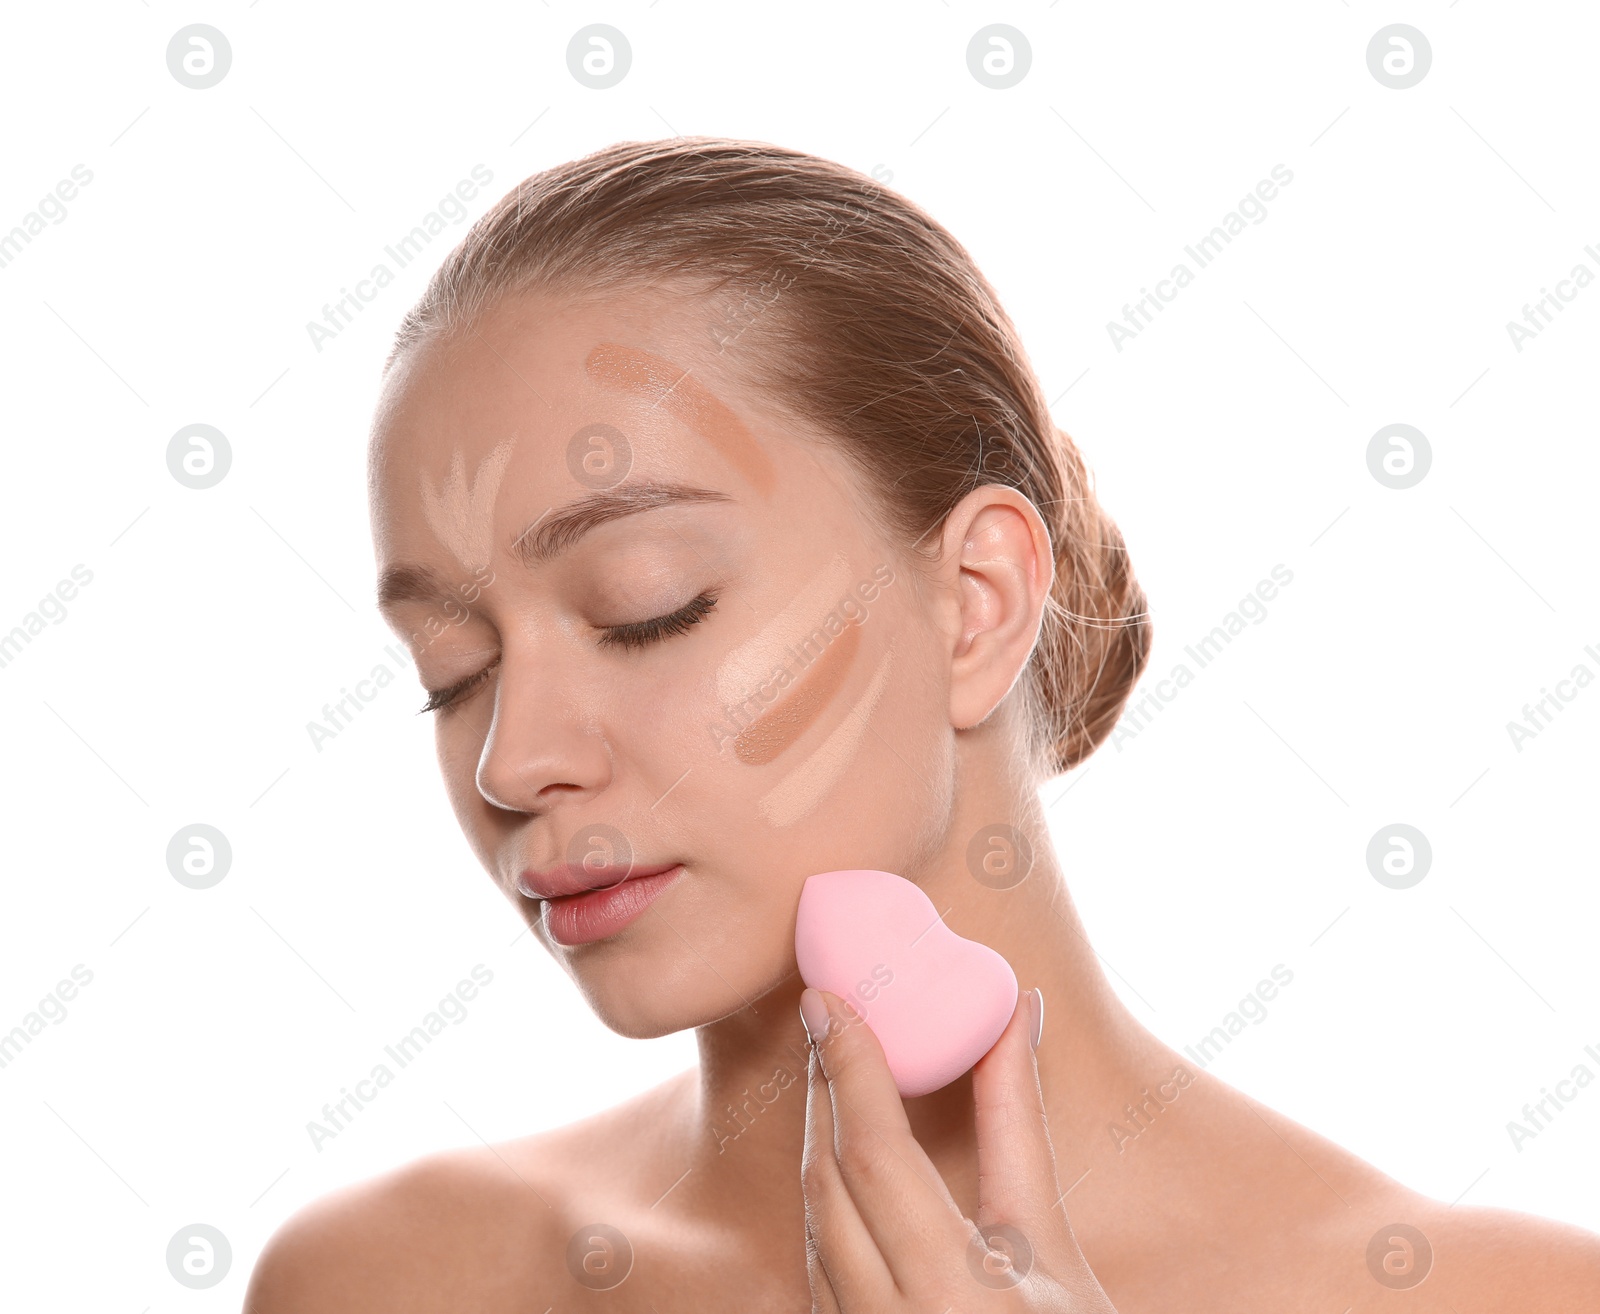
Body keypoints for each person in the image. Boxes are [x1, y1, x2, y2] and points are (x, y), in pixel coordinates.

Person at [245, 137, 1600, 1311]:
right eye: (452, 666)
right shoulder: (382, 1282)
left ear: (975, 600)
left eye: (645, 608)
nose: (513, 756)